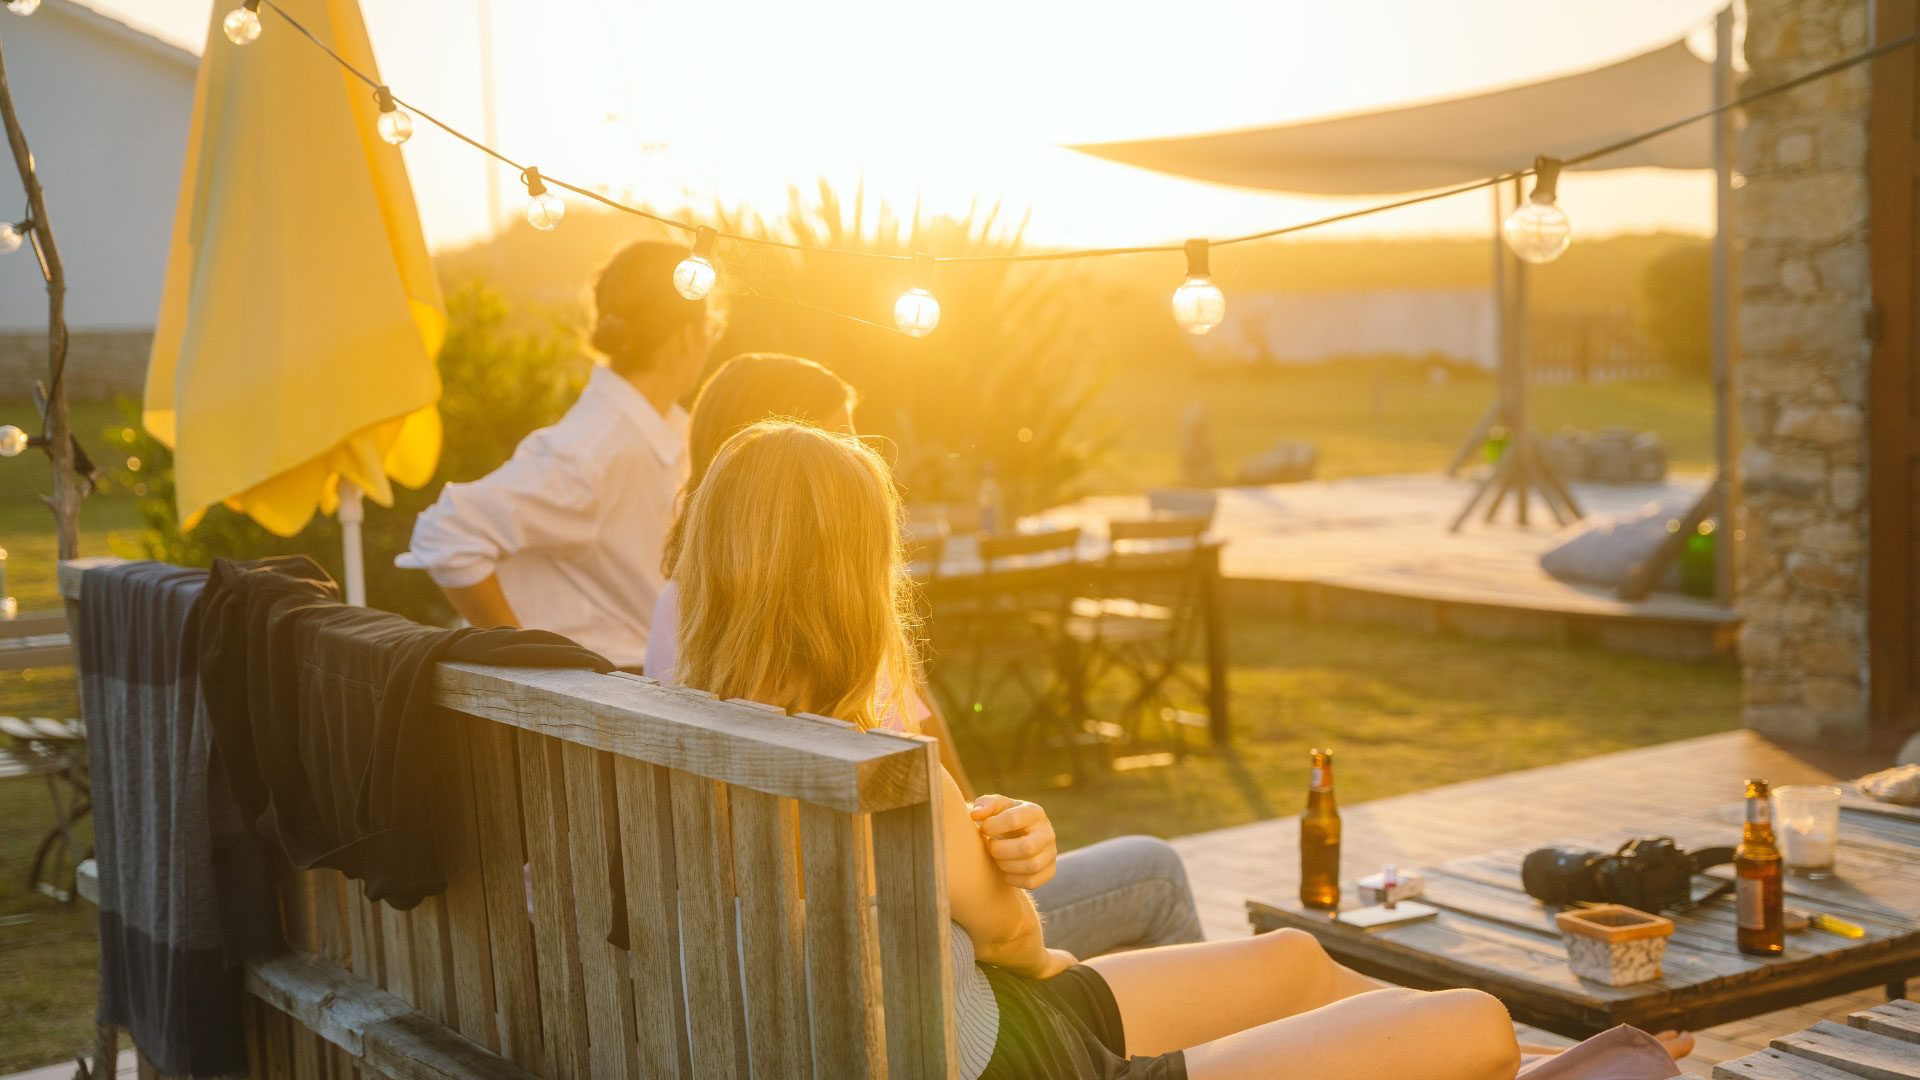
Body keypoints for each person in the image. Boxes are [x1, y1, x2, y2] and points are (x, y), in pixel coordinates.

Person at [668, 420, 1535, 1080]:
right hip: (1020, 1054)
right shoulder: (872, 772)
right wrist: (1019, 916)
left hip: (982, 1024)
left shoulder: (665, 748)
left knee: (1298, 958)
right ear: (854, 585)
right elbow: (1020, 939)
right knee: (1481, 1028)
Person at [649, 354, 1204, 960]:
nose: (860, 449)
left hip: (833, 943)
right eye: (839, 434)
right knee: (1156, 874)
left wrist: (983, 829)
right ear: (793, 477)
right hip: (915, 945)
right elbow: (1009, 933)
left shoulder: (688, 624)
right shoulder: (820, 656)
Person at [407, 241, 718, 669]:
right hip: (603, 697)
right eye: (711, 327)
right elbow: (447, 533)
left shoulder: (670, 431)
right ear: (688, 336)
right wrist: (520, 657)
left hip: (656, 687)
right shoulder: (595, 449)